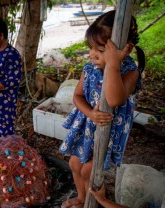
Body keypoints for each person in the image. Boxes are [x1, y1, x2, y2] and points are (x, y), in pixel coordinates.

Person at [59, 10, 145, 208]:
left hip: (108, 132)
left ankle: (94, 201)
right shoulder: (89, 68)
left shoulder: (129, 72)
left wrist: (113, 65)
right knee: (74, 164)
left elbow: (114, 100)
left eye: (99, 50)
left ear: (125, 50)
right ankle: (81, 198)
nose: (91, 54)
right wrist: (90, 113)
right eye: (90, 48)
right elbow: (77, 96)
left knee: (89, 171)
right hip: (86, 125)